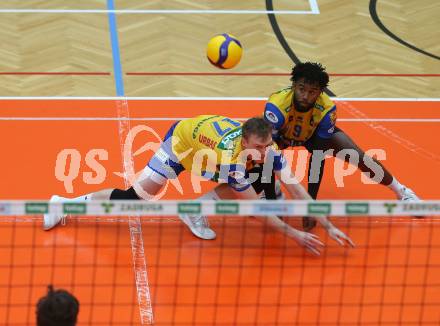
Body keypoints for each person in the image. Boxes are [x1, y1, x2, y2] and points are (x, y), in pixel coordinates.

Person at [44, 115, 354, 255]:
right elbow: (256, 210)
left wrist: (328, 225)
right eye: (258, 147)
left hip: (207, 150)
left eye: (267, 145)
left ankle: (193, 211)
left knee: (256, 180)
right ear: (246, 141)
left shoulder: (266, 150)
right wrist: (295, 235)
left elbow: (297, 190)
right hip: (182, 143)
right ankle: (63, 204)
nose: (264, 151)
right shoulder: (233, 161)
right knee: (135, 197)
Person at [263, 62, 420, 230]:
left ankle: (402, 192)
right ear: (294, 85)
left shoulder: (326, 110)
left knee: (359, 157)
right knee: (258, 153)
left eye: (312, 92)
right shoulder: (276, 107)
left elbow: (318, 158)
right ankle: (270, 196)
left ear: (320, 92)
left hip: (312, 135)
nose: (306, 96)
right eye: (302, 89)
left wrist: (311, 206)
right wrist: (273, 205)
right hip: (282, 136)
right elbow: (268, 156)